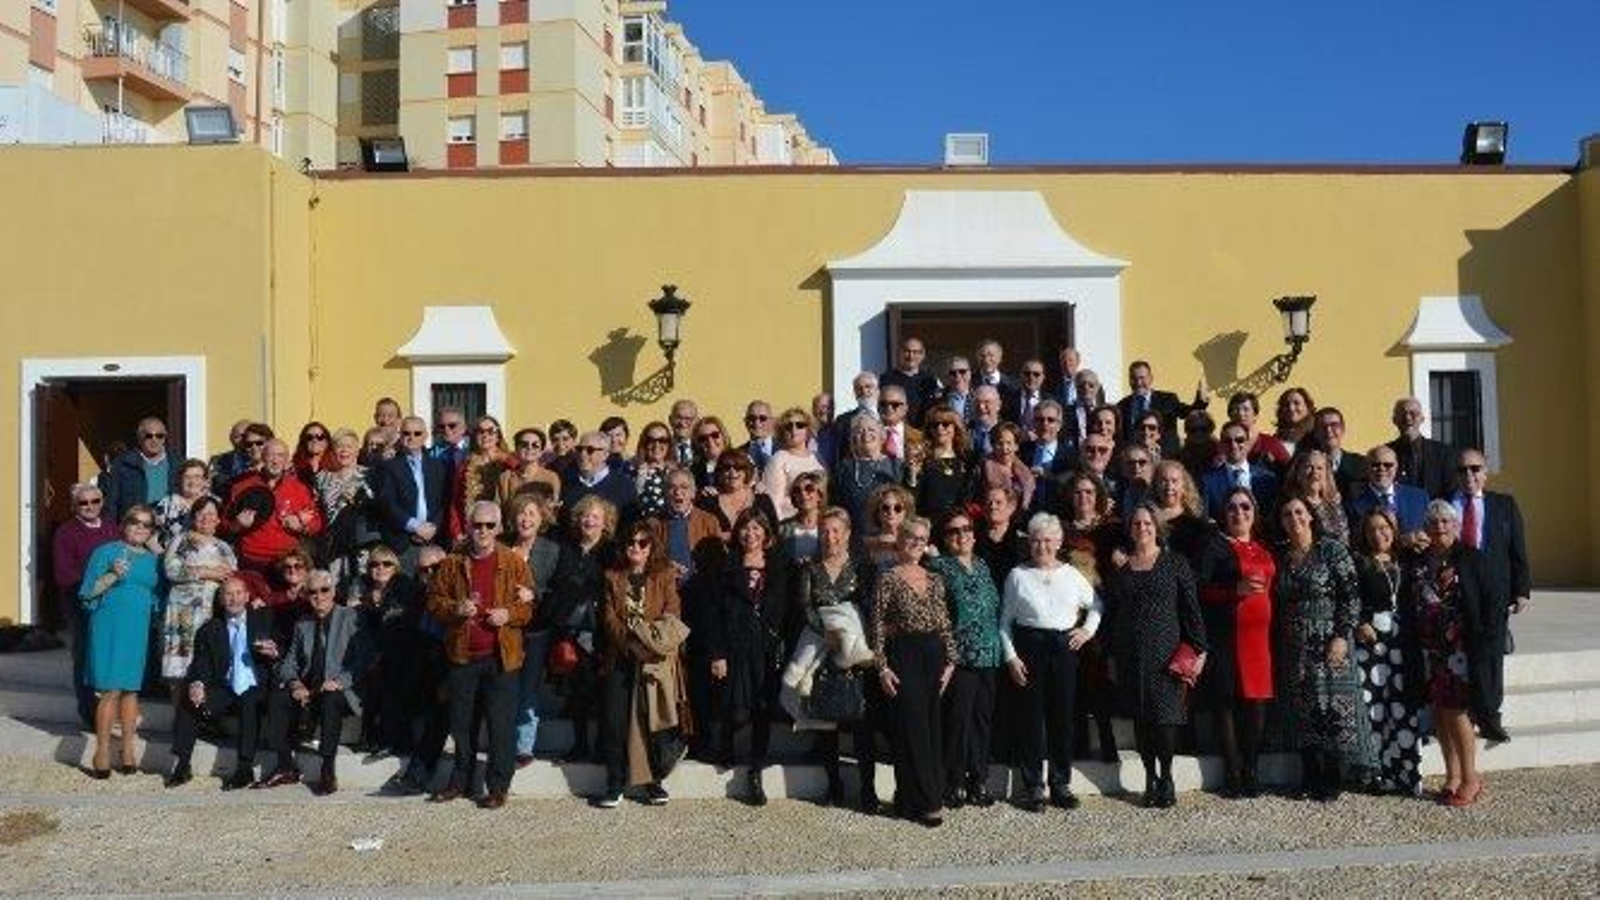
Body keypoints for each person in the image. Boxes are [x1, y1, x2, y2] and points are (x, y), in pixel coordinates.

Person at [425, 501, 534, 809]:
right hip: (462, 656)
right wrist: (455, 608)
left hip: (501, 657)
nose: (483, 531)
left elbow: (528, 607)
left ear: (498, 528)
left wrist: (508, 614)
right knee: (462, 726)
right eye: (477, 525)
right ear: (469, 527)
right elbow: (433, 601)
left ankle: (498, 787)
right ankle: (460, 782)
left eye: (489, 525)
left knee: (500, 727)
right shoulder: (452, 563)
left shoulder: (513, 562)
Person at [1103, 503, 1207, 808]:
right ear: (1130, 529)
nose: (1142, 528)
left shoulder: (1175, 563)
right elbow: (1113, 614)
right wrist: (1110, 655)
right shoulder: (1122, 569)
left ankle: (1167, 777)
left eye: (1147, 523)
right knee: (1141, 719)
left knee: (1164, 719)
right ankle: (1149, 778)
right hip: (1131, 652)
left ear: (1157, 527)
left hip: (1166, 651)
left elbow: (1190, 608)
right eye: (1136, 524)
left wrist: (1200, 648)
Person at [1274, 496, 1374, 802]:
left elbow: (1351, 595)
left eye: (1299, 512)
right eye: (1287, 514)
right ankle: (1310, 775)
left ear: (1310, 516)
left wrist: (1342, 635)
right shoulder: (1282, 557)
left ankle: (1333, 776)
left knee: (1331, 708)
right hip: (1295, 645)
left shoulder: (1331, 549)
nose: (1294, 518)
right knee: (1303, 711)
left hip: (1330, 641)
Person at [999, 512, 1101, 812]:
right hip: (1029, 647)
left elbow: (1096, 604)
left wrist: (1087, 630)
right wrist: (1011, 657)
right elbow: (1004, 622)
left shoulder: (1072, 575)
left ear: (1058, 542)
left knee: (1062, 718)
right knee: (1031, 719)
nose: (1041, 546)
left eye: (1047, 540)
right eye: (1036, 540)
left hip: (1063, 648)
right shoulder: (1017, 575)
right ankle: (1033, 786)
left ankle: (1060, 784)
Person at [1403, 500, 1496, 807]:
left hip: (1460, 651)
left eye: (1445, 521)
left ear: (1456, 525)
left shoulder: (1471, 558)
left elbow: (1490, 602)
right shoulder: (1420, 559)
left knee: (1456, 712)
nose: (1439, 527)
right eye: (1433, 522)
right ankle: (1452, 776)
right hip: (1431, 650)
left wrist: (1485, 642)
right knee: (1441, 714)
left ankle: (1471, 778)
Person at [792, 508, 882, 810]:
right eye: (825, 531)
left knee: (863, 726)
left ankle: (868, 790)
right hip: (823, 651)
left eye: (835, 531)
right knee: (826, 723)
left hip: (857, 654)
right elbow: (805, 607)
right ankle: (834, 786)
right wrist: (825, 632)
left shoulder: (862, 568)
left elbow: (870, 607)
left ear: (847, 535)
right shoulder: (810, 570)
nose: (830, 537)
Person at [870, 518, 957, 827]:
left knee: (930, 728)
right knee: (912, 726)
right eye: (911, 537)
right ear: (899, 540)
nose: (916, 543)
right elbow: (877, 624)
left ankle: (907, 800)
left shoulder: (935, 579)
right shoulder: (888, 578)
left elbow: (944, 622)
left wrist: (951, 661)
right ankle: (929, 801)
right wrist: (882, 667)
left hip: (933, 654)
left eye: (922, 539)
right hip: (904, 654)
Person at [595, 521, 687, 808]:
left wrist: (648, 644)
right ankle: (615, 783)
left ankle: (653, 782)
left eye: (642, 543)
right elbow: (609, 618)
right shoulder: (612, 576)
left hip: (653, 660)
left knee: (651, 722)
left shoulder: (664, 575)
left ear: (651, 548)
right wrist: (630, 643)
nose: (636, 547)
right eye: (631, 542)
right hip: (620, 657)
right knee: (615, 722)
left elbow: (671, 612)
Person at [1194, 488, 1275, 797]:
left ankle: (1252, 770)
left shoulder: (1263, 548)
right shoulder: (1214, 546)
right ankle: (1233, 773)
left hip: (1260, 639)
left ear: (1254, 512)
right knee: (1226, 703)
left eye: (1245, 507)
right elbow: (1199, 588)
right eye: (1232, 507)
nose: (1239, 512)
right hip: (1227, 635)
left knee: (1257, 704)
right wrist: (1233, 590)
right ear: (1223, 514)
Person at [706, 508, 789, 804]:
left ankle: (756, 770)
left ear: (766, 534)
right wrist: (717, 653)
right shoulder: (725, 565)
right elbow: (713, 613)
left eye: (756, 528)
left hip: (765, 648)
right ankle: (726, 742)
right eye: (745, 528)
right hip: (733, 646)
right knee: (736, 709)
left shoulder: (779, 565)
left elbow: (786, 610)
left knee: (762, 709)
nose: (750, 533)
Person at [265, 569, 369, 796]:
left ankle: (327, 768)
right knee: (279, 697)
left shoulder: (351, 617)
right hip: (311, 688)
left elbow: (364, 659)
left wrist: (340, 681)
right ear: (306, 595)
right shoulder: (303, 624)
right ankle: (285, 766)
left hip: (342, 690)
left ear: (333, 592)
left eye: (324, 590)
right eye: (313, 592)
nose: (319, 596)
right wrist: (294, 683)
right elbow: (289, 663)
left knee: (331, 699)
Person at [166, 576, 276, 789]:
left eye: (238, 593)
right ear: (221, 599)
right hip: (226, 687)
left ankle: (244, 768)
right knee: (189, 700)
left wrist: (274, 652)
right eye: (228, 594)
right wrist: (197, 683)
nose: (234, 598)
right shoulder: (209, 629)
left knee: (249, 701)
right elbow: (201, 664)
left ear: (247, 596)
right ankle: (183, 764)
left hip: (257, 685)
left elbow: (281, 645)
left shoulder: (264, 618)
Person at [1450, 448, 1528, 744]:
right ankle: (1461, 711)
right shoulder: (1444, 505)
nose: (1469, 475)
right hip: (1458, 591)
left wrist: (1521, 589)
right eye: (1462, 470)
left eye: (1475, 468)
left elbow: (1517, 549)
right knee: (1465, 652)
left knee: (1491, 653)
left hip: (1495, 589)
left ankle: (1490, 715)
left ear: (1485, 472)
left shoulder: (1504, 504)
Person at [78, 506, 163, 778]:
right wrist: (112, 574)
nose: (140, 527)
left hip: (138, 628)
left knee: (131, 690)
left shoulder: (152, 560)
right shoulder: (105, 552)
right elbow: (87, 592)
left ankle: (127, 750)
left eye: (147, 525)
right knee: (111, 690)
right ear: (124, 524)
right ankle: (101, 752)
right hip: (109, 625)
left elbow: (158, 596)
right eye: (135, 522)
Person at [928, 511, 1001, 808]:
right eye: (953, 531)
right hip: (959, 656)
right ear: (945, 538)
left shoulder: (982, 564)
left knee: (982, 720)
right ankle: (954, 782)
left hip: (989, 654)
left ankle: (978, 781)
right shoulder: (939, 567)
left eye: (967, 529)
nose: (962, 535)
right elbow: (938, 615)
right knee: (958, 722)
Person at [1352, 508, 1424, 796]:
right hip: (1370, 644)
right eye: (1371, 529)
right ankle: (1374, 774)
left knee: (1402, 708)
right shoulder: (1360, 562)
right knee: (1372, 708)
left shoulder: (1407, 561)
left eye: (1383, 527)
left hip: (1402, 643)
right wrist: (1359, 622)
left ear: (1394, 530)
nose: (1378, 534)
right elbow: (1349, 598)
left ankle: (1404, 773)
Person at [544, 495, 617, 762]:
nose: (589, 521)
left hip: (600, 632)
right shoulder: (567, 549)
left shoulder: (612, 552)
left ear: (605, 522)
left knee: (601, 691)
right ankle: (580, 745)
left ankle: (602, 748)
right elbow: (558, 584)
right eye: (585, 515)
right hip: (570, 632)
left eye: (595, 517)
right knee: (575, 692)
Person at [1059, 472, 1121, 763]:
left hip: (1103, 610)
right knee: (1075, 677)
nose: (1083, 497)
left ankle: (1107, 741)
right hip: (1070, 613)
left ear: (1098, 496)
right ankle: (1079, 744)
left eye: (1089, 492)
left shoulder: (1112, 528)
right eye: (1078, 492)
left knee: (1098, 676)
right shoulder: (1061, 529)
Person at [346, 544, 425, 755]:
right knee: (375, 673)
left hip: (401, 651)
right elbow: (352, 617)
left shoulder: (404, 585)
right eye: (374, 564)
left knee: (388, 674)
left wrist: (379, 606)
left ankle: (389, 738)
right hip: (368, 651)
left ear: (395, 567)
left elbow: (402, 621)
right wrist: (367, 604)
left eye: (386, 564)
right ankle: (372, 736)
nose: (380, 568)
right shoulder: (361, 585)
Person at [52, 482, 118, 727]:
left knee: (109, 655)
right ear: (74, 506)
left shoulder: (112, 528)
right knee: (84, 656)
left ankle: (110, 710)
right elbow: (65, 575)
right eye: (83, 502)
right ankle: (89, 714)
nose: (90, 506)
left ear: (102, 503)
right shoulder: (66, 532)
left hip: (111, 603)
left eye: (95, 501)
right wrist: (96, 586)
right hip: (79, 603)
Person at [503, 491, 562, 766]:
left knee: (528, 687)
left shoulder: (552, 550)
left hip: (536, 630)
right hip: (504, 629)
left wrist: (534, 593)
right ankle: (502, 739)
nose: (525, 519)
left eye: (531, 514)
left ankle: (523, 746)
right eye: (521, 513)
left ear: (541, 519)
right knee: (504, 686)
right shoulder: (501, 547)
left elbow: (557, 590)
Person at [159, 497, 237, 688]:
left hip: (212, 611)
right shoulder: (182, 539)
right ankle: (178, 706)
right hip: (184, 611)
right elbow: (170, 569)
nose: (206, 517)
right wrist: (205, 572)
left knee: (206, 661)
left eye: (211, 513)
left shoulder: (224, 547)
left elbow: (231, 573)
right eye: (200, 513)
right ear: (193, 517)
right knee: (179, 668)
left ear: (218, 519)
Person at [223, 439, 324, 573]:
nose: (275, 461)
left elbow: (316, 524)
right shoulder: (241, 486)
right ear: (263, 457)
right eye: (271, 455)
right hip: (251, 560)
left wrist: (300, 526)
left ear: (287, 460)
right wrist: (238, 524)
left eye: (280, 455)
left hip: (287, 563)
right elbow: (224, 526)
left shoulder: (299, 489)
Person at [314, 429, 374, 585]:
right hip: (333, 545)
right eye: (339, 446)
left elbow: (378, 508)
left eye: (349, 446)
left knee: (360, 589)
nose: (344, 450)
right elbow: (316, 510)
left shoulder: (369, 476)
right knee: (333, 588)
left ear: (357, 450)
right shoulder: (322, 478)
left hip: (361, 545)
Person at [831, 415, 903, 535]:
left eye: (871, 430)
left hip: (888, 538)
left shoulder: (896, 465)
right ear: (853, 438)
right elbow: (836, 505)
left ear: (882, 436)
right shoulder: (844, 467)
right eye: (859, 431)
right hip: (854, 537)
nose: (866, 434)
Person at [1116, 361, 1208, 449]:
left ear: (1151, 378)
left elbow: (1188, 413)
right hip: (1135, 457)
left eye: (1142, 378)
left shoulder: (1168, 399)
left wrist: (1201, 401)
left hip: (1165, 455)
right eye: (1133, 378)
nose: (1138, 383)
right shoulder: (1122, 405)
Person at [1346, 445, 1429, 541]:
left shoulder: (1419, 498)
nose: (1381, 468)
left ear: (1396, 467)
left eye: (1388, 465)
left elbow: (1430, 532)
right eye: (1375, 465)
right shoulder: (1352, 504)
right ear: (1366, 468)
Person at [1200, 422, 1280, 522]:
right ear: (1221, 445)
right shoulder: (1207, 481)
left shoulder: (1268, 479)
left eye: (1239, 440)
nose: (1233, 445)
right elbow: (1205, 518)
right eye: (1227, 441)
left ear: (1248, 444)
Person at [105, 417, 180, 522]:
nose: (154, 440)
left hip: (169, 525)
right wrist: (111, 529)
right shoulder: (123, 464)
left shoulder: (177, 463)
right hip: (135, 525)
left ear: (165, 437)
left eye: (159, 436)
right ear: (140, 438)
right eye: (149, 436)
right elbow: (111, 502)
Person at [759, 408, 827, 521]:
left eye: (800, 425)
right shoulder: (779, 459)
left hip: (818, 523)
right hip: (791, 523)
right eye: (788, 426)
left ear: (808, 430)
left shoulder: (817, 458)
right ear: (782, 432)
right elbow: (773, 502)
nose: (793, 429)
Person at [561, 430, 639, 525]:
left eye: (590, 450)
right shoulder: (567, 481)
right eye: (579, 449)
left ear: (605, 454)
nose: (583, 454)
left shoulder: (624, 485)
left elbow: (630, 523)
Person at [914, 407, 977, 522]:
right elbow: (913, 495)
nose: (940, 428)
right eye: (935, 425)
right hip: (929, 522)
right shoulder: (921, 458)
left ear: (955, 428)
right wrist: (913, 473)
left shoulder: (968, 459)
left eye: (945, 424)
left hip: (958, 523)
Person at [1386, 397, 1455, 499]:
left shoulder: (1442, 453)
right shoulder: (1386, 453)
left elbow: (1451, 489)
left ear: (1422, 419)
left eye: (1413, 413)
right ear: (1394, 420)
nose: (1408, 418)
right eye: (1402, 414)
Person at [1283, 449, 1350, 546]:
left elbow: (1344, 539)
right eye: (1308, 467)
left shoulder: (1334, 504)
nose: (1314, 472)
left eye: (1319, 468)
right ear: (1298, 473)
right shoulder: (1288, 504)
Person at [1022, 399, 1076, 514]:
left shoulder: (1072, 456)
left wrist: (1048, 476)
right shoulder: (1022, 451)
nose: (1044, 424)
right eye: (1039, 420)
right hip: (1027, 515)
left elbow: (1069, 486)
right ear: (1033, 423)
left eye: (1050, 420)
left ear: (1059, 425)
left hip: (1059, 516)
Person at [152, 459, 213, 552]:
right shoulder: (167, 504)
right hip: (174, 558)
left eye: (197, 477)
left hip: (210, 558)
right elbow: (150, 536)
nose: (192, 481)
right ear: (180, 480)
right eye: (187, 477)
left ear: (205, 480)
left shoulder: (215, 503)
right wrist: (163, 556)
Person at [975, 485, 1026, 593]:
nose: (992, 506)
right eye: (988, 502)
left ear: (1011, 508)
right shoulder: (974, 540)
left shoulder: (1023, 542)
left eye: (998, 502)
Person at [880, 337, 942, 425]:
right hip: (896, 428)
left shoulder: (931, 380)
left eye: (915, 352)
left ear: (922, 355)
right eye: (907, 351)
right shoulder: (886, 379)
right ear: (900, 353)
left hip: (924, 429)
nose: (911, 356)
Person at [1308, 407, 1365, 497]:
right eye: (1322, 426)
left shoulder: (1361, 464)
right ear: (1315, 432)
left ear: (1343, 429)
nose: (1328, 430)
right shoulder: (1305, 465)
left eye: (1334, 425)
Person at [499, 426, 562, 506]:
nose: (529, 448)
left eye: (535, 445)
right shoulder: (505, 478)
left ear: (541, 452)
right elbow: (500, 509)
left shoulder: (551, 477)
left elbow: (553, 508)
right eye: (524, 444)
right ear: (517, 449)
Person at [1225, 392, 1289, 471]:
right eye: (1236, 409)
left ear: (1255, 415)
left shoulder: (1271, 444)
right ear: (1230, 415)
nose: (1240, 414)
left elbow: (1290, 470)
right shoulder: (1223, 445)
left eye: (1246, 409)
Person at [980, 422, 1035, 512]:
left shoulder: (1025, 470)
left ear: (1016, 446)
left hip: (1021, 516)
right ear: (993, 446)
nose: (1004, 448)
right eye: (999, 443)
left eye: (1009, 443)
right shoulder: (983, 468)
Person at [626, 421, 676, 520]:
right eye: (651, 440)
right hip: (640, 525)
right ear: (644, 443)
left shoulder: (677, 471)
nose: (656, 445)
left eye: (662, 440)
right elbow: (628, 502)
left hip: (669, 525)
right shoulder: (632, 470)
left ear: (669, 444)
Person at [777, 470, 828, 564]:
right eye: (797, 490)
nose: (803, 494)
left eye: (809, 489)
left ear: (819, 495)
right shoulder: (783, 528)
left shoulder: (829, 525)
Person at [877, 385, 922, 464]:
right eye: (883, 404)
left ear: (905, 408)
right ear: (878, 407)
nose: (889, 408)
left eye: (895, 404)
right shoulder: (866, 436)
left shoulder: (919, 437)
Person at [689, 416, 731, 492]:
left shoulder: (739, 462)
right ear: (697, 443)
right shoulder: (693, 471)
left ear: (723, 437)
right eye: (703, 438)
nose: (710, 441)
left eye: (715, 435)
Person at [1273, 387, 1317, 456]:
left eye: (1297, 403)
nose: (1291, 408)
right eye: (1286, 404)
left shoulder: (1316, 436)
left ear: (1308, 407)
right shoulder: (1276, 438)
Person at [739, 401, 777, 473]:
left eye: (762, 418)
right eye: (752, 418)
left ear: (772, 421)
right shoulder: (739, 453)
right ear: (746, 422)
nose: (756, 423)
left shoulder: (785, 448)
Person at [968, 386, 1003, 456]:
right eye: (977, 402)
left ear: (998, 405)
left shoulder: (1008, 432)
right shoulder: (964, 431)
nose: (981, 407)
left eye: (987, 402)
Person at [939, 358, 973, 422]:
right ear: (947, 376)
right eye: (952, 373)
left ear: (969, 374)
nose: (958, 376)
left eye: (962, 372)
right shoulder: (939, 399)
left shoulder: (980, 396)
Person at [668, 399, 700, 466]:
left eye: (688, 419)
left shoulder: (702, 447)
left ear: (697, 422)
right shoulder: (664, 447)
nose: (682, 423)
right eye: (678, 418)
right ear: (670, 420)